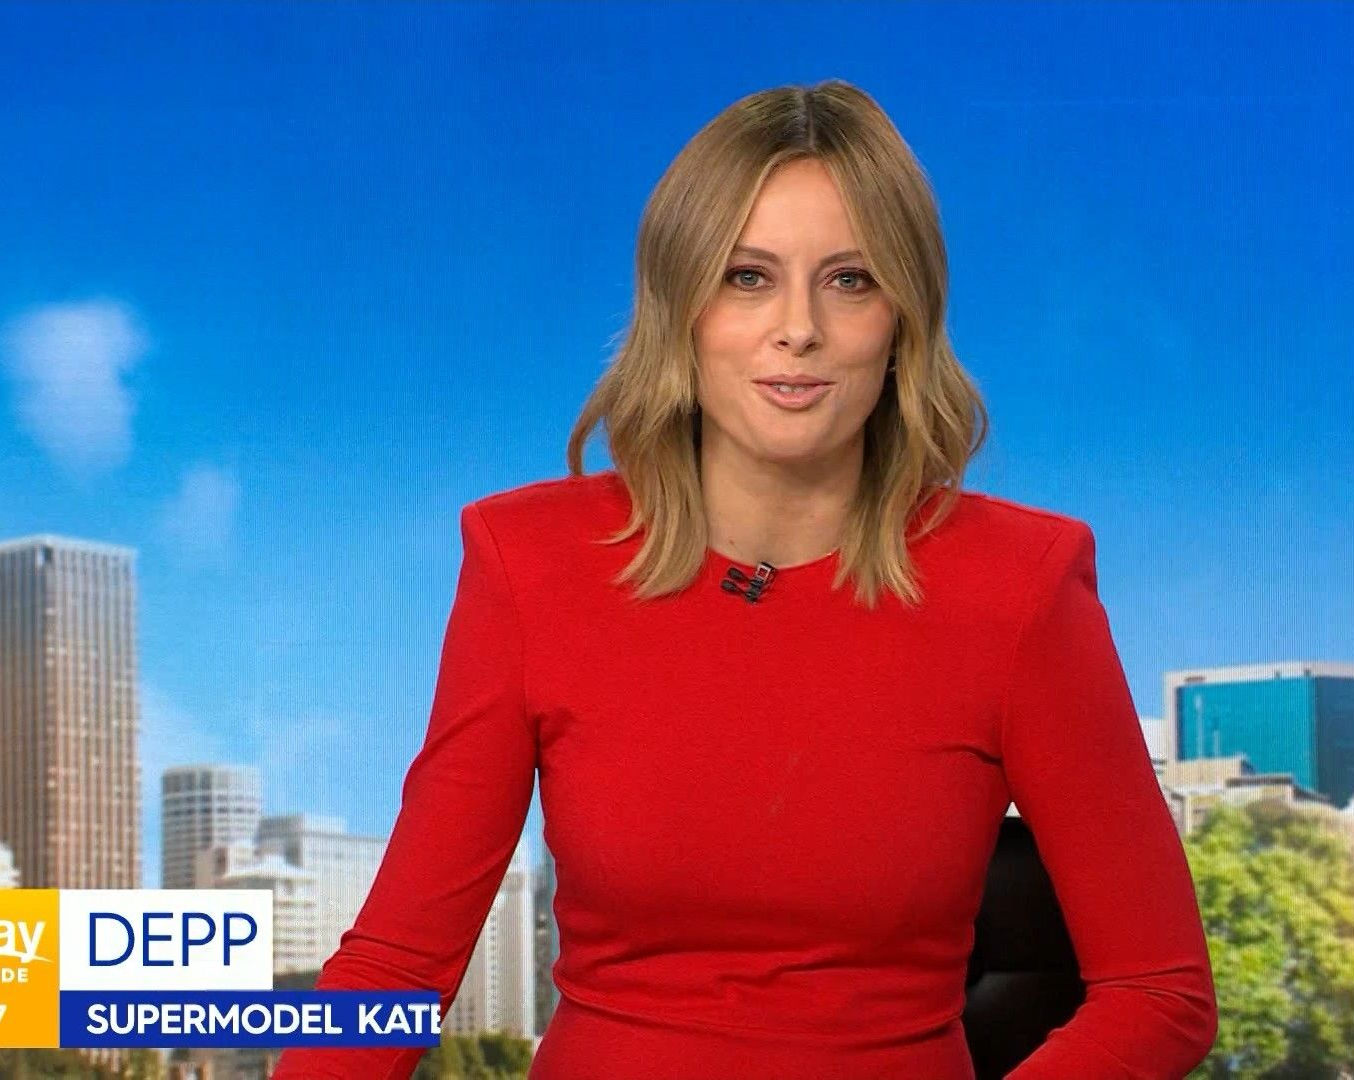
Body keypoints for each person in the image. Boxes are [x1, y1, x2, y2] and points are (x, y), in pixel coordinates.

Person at [271, 79, 1216, 1080]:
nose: (797, 329)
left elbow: (1160, 994)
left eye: (850, 280)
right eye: (747, 277)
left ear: (904, 319)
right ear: (681, 308)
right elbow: (397, 967)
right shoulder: (528, 561)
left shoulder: (1021, 586)